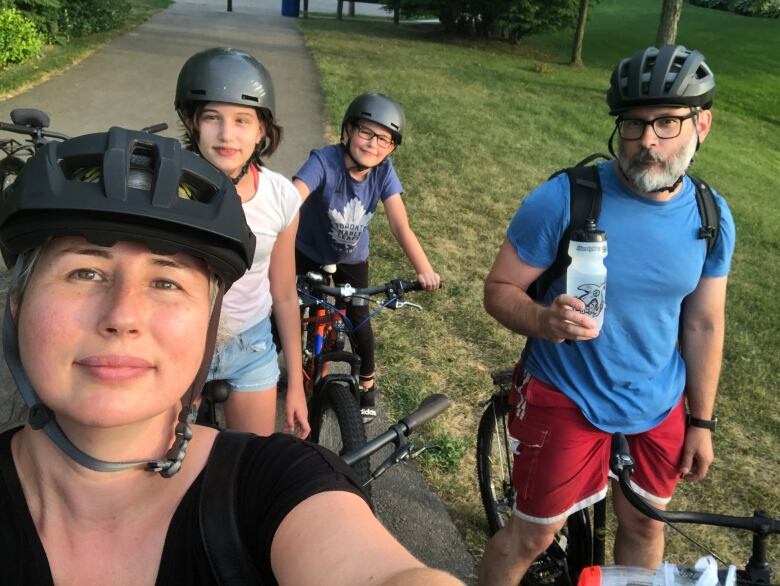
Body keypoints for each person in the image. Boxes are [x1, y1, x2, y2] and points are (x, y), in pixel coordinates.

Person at [0, 128, 463, 586]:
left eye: (166, 282)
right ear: (17, 305)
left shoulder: (274, 484)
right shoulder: (323, 164)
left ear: (210, 320)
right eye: (85, 272)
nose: (123, 316)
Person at [479, 45, 736, 585]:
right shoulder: (565, 199)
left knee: (645, 530)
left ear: (702, 124)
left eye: (667, 123)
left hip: (658, 401)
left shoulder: (712, 216)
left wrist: (702, 421)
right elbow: (499, 289)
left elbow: (704, 323)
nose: (647, 141)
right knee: (532, 535)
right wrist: (543, 320)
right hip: (566, 392)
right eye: (634, 124)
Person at [175, 47, 308, 438]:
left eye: (242, 120)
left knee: (252, 461)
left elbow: (283, 294)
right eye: (213, 118)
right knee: (164, 463)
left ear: (262, 130)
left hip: (249, 347)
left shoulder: (281, 197)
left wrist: (296, 385)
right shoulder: (167, 192)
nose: (227, 134)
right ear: (192, 122)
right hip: (180, 341)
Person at [293, 92, 440, 423]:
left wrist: (425, 269)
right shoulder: (324, 161)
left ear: (391, 148)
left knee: (359, 319)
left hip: (351, 258)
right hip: (306, 250)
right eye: (366, 133)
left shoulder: (384, 173)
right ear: (347, 131)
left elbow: (400, 226)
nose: (373, 144)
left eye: (384, 139)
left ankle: (368, 380)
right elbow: (294, 196)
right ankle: (273, 368)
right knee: (281, 311)